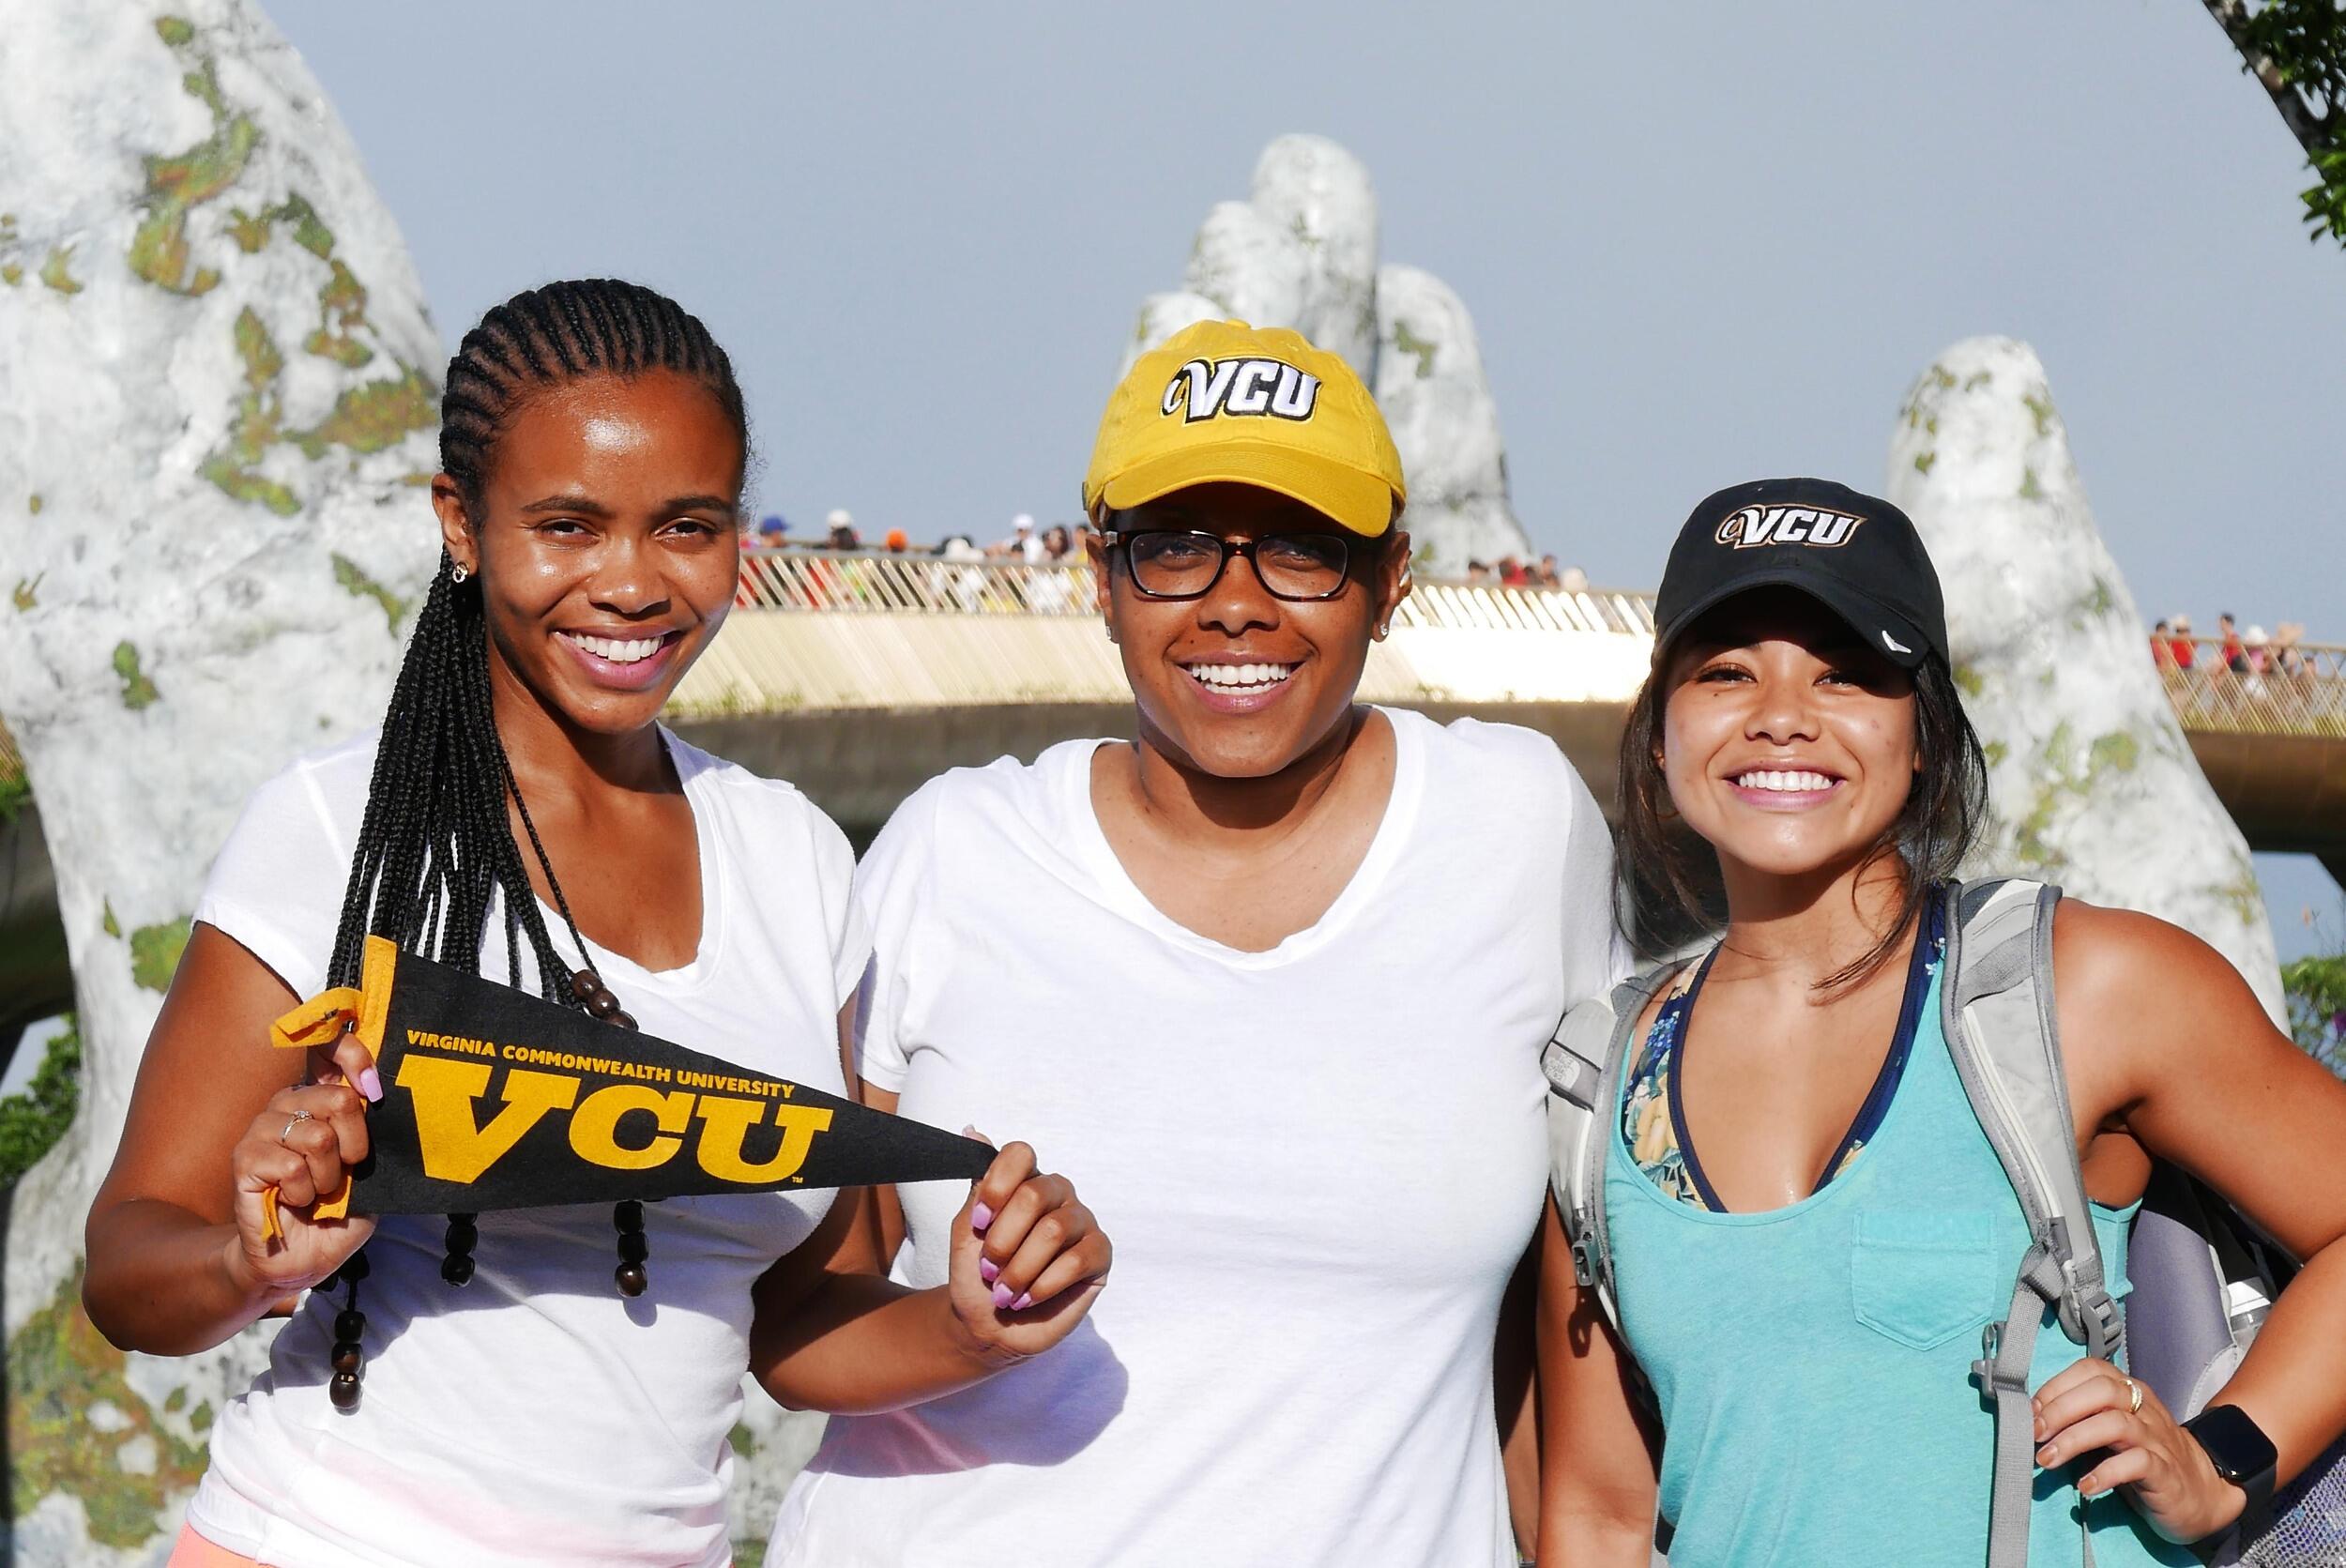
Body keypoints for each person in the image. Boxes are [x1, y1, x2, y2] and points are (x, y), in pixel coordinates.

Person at [82, 280, 1110, 1568]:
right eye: (567, 525)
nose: (631, 582)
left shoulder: (792, 857)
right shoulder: (336, 826)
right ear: (461, 523)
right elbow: (129, 1266)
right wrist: (248, 1256)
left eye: (686, 525)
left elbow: (794, 1317)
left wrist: (980, 1317)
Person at [766, 319, 1625, 1567]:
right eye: (1173, 548)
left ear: (1390, 583)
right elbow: (794, 1324)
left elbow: (1566, 1336)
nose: (1235, 602)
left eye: (1301, 548)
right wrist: (970, 1330)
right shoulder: (951, 849)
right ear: (1100, 582)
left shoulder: (1523, 828)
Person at [1538, 478, 2346, 1567]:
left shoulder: (2081, 986)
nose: (1781, 713)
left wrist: (2224, 1460)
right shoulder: (1597, 1085)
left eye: (1846, 672)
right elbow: (1597, 1516)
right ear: (1658, 739)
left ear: (1923, 736)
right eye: (1724, 671)